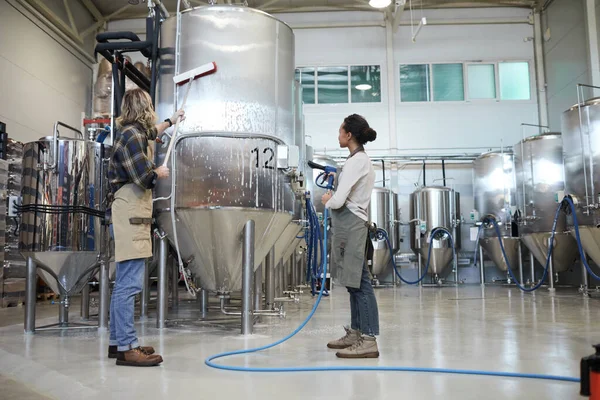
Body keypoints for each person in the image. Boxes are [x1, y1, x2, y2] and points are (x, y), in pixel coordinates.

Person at [107, 88, 184, 367]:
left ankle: (118, 343)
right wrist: (158, 173)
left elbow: (151, 132)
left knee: (124, 283)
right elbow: (143, 178)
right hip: (130, 210)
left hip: (128, 211)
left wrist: (171, 121)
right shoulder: (132, 136)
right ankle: (128, 348)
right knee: (128, 284)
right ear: (143, 108)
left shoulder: (133, 132)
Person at [321, 114, 379, 359]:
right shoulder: (355, 160)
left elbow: (339, 200)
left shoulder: (358, 161)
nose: (338, 135)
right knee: (353, 283)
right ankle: (356, 333)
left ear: (349, 135)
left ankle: (368, 340)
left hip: (352, 224)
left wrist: (327, 200)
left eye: (340, 131)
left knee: (361, 283)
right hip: (348, 223)